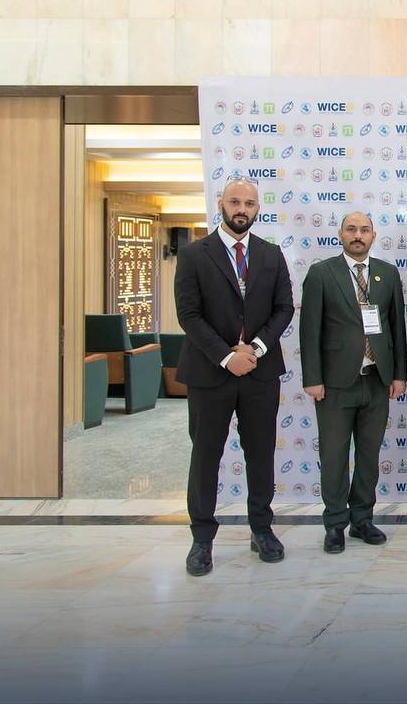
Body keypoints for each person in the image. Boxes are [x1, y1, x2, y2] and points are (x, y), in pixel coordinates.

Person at [174, 178, 294, 576]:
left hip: (260, 373)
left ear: (258, 208)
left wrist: (254, 349)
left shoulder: (271, 254)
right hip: (210, 373)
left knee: (260, 455)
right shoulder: (194, 255)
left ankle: (262, 530)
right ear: (221, 204)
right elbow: (188, 314)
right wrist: (227, 356)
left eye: (249, 203)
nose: (242, 209)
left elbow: (284, 308)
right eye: (235, 202)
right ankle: (202, 539)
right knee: (205, 456)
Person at [299, 210, 407, 554]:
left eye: (364, 230)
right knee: (333, 456)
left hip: (377, 380)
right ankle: (335, 524)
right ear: (340, 235)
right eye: (351, 229)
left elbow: (396, 327)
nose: (357, 235)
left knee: (369, 456)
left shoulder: (388, 273)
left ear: (373, 236)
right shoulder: (321, 273)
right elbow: (309, 330)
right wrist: (313, 378)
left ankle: (362, 519)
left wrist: (399, 374)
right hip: (334, 384)